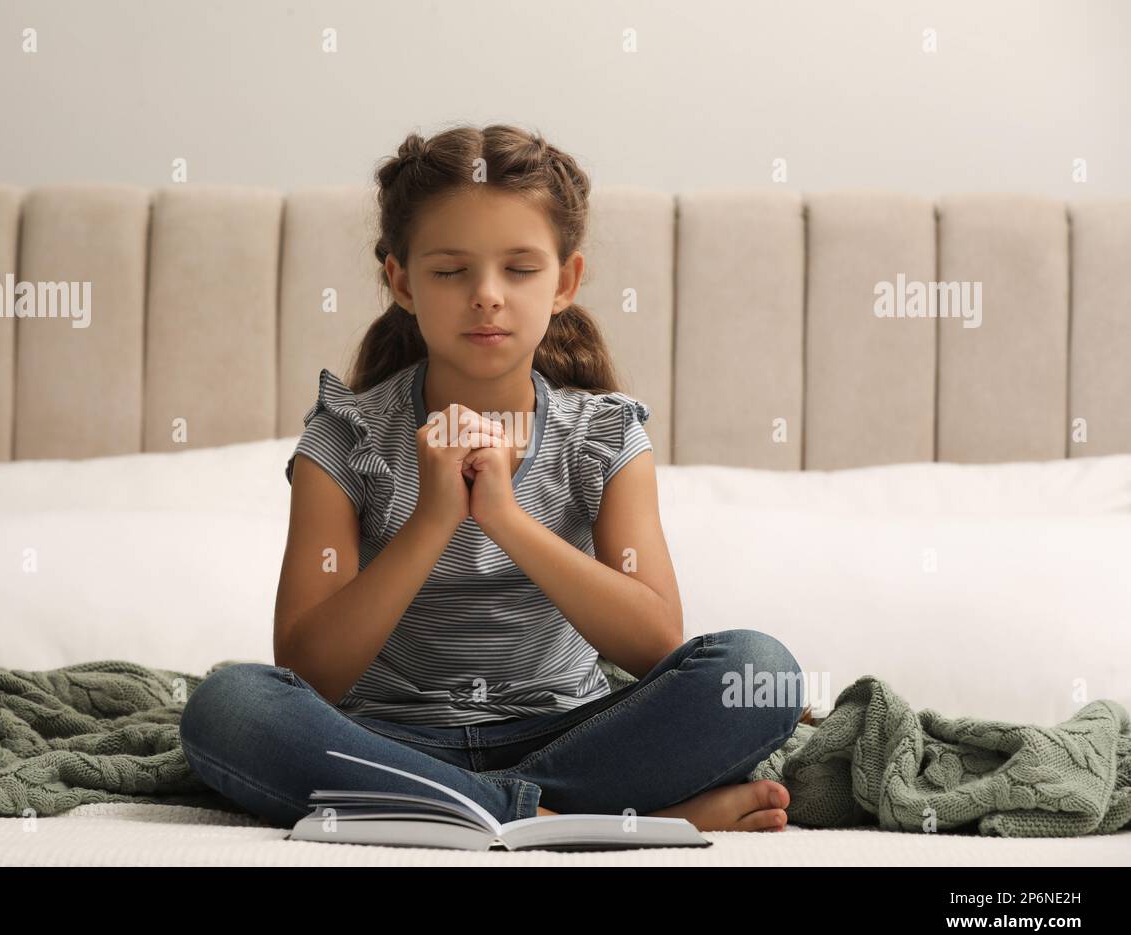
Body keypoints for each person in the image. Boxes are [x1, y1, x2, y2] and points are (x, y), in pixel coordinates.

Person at [180, 123, 811, 833]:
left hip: (569, 735)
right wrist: (434, 518)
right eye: (450, 271)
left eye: (519, 269)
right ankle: (565, 815)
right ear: (401, 281)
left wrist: (505, 519)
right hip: (388, 740)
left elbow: (656, 639)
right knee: (229, 706)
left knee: (761, 672)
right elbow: (309, 668)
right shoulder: (346, 434)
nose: (486, 295)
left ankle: (477, 808)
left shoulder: (604, 436)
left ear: (565, 281)